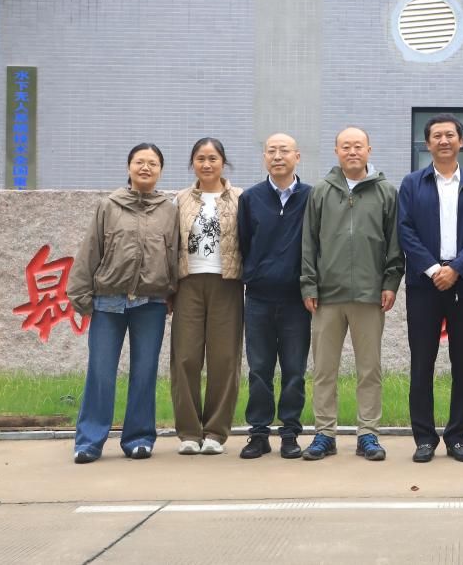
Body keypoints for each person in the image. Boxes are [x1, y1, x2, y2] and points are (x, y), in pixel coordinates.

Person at [66, 143, 178, 464]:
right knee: (101, 372)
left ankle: (139, 438)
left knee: (144, 372)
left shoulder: (169, 210)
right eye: (139, 162)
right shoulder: (108, 206)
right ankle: (89, 441)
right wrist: (80, 294)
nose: (146, 167)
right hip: (108, 303)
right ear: (129, 167)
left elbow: (175, 255)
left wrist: (174, 293)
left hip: (151, 304)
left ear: (160, 170)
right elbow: (91, 250)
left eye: (152, 163)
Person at [300, 127, 404, 461]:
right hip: (327, 296)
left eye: (358, 146)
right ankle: (324, 434)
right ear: (337, 151)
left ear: (369, 149)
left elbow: (394, 243)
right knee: (324, 370)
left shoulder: (386, 192)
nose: (352, 151)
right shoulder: (321, 191)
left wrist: (390, 283)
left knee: (369, 370)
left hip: (369, 295)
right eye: (346, 146)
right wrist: (309, 284)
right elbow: (309, 243)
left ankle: (368, 434)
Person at [397, 113, 463, 463]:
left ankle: (457, 438)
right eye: (436, 136)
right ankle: (424, 438)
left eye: (450, 135)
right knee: (422, 362)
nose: (444, 141)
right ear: (427, 143)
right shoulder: (412, 184)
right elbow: (405, 230)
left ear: (461, 141)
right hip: (424, 283)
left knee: (462, 362)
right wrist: (435, 268)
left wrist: (456, 269)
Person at [237, 133, 313, 459]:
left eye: (284, 151)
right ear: (264, 157)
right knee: (259, 370)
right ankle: (258, 433)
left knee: (294, 370)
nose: (278, 156)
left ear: (297, 157)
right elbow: (243, 243)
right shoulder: (250, 198)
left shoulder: (312, 197)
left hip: (297, 299)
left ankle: (290, 433)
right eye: (271, 151)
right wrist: (254, 275)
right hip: (258, 298)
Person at [170, 137, 243, 457]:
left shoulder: (240, 198)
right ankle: (188, 432)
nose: (207, 164)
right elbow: (170, 244)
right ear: (192, 163)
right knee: (185, 357)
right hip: (188, 283)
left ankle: (215, 432)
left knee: (224, 359)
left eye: (213, 158)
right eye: (200, 158)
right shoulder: (180, 200)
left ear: (223, 162)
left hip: (227, 283)